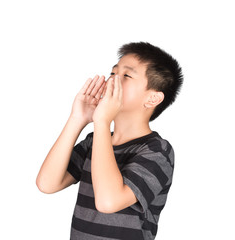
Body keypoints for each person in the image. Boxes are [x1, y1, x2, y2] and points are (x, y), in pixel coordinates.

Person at [36, 42, 183, 240]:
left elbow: (108, 202)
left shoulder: (158, 151)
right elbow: (47, 184)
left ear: (152, 99)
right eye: (113, 73)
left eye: (126, 76)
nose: (112, 81)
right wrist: (77, 119)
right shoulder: (95, 140)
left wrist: (102, 122)